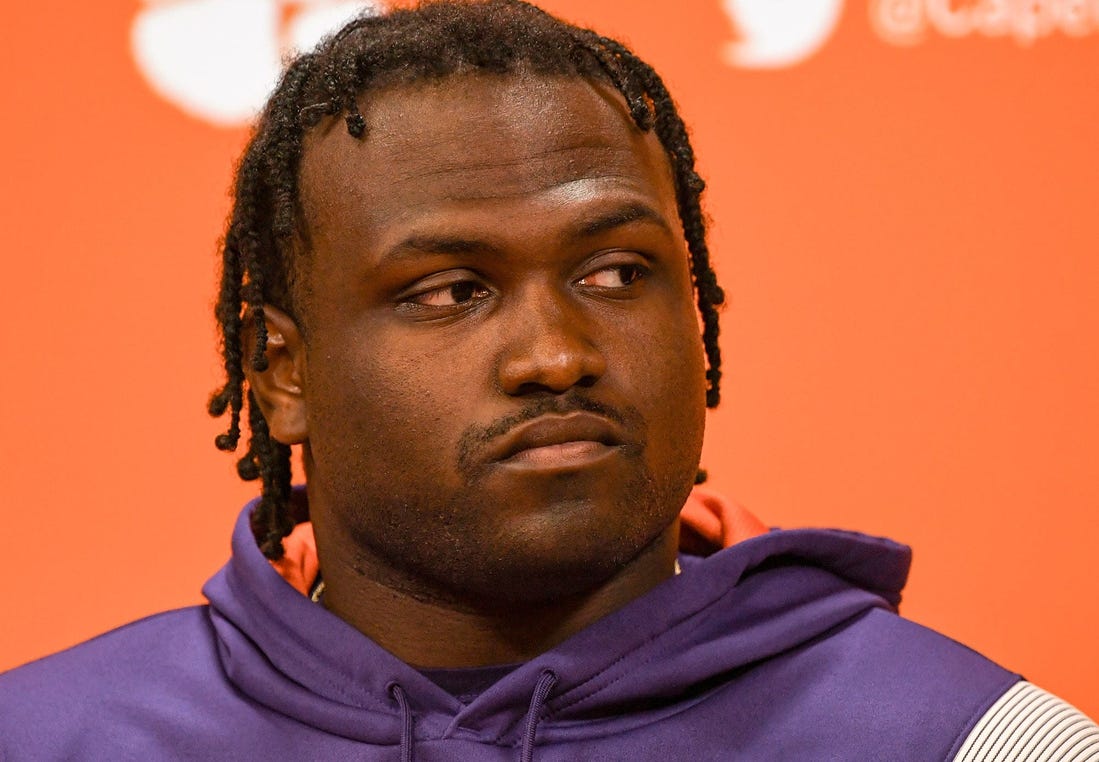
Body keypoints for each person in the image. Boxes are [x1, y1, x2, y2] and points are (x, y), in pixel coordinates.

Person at [1, 1, 1095, 759]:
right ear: (280, 374)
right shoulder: (49, 740)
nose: (556, 355)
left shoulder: (974, 744)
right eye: (450, 291)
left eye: (616, 272)